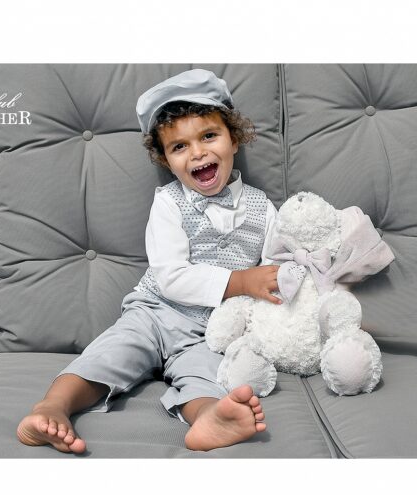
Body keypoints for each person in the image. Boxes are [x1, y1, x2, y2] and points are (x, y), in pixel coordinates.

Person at [17, 69, 281, 453]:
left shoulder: (263, 208)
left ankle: (209, 417)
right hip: (155, 313)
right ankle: (52, 407)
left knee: (206, 376)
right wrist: (241, 281)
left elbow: (274, 273)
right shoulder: (169, 202)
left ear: (234, 139)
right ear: (167, 160)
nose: (197, 152)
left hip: (212, 331)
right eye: (180, 146)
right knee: (112, 353)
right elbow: (171, 276)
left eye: (209, 136)